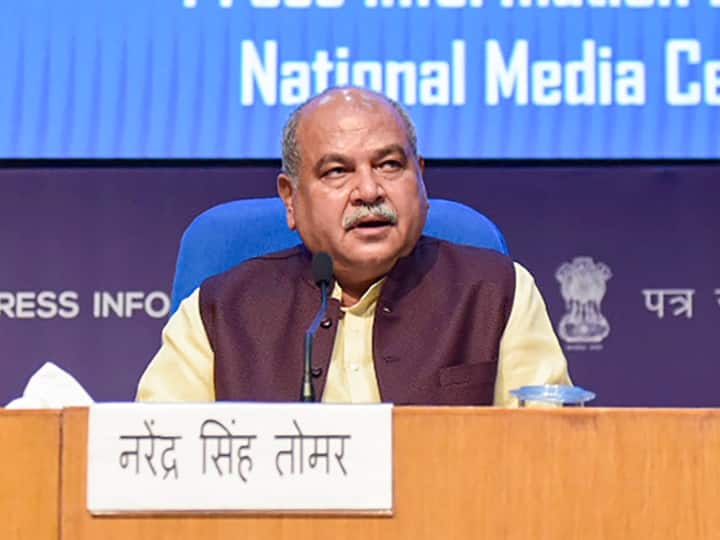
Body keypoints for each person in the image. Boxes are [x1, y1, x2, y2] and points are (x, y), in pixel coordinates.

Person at [137, 86, 571, 405]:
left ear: (420, 179)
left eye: (389, 165)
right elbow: (155, 461)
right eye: (337, 172)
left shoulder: (497, 292)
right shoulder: (219, 310)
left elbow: (548, 453)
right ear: (290, 199)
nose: (368, 190)